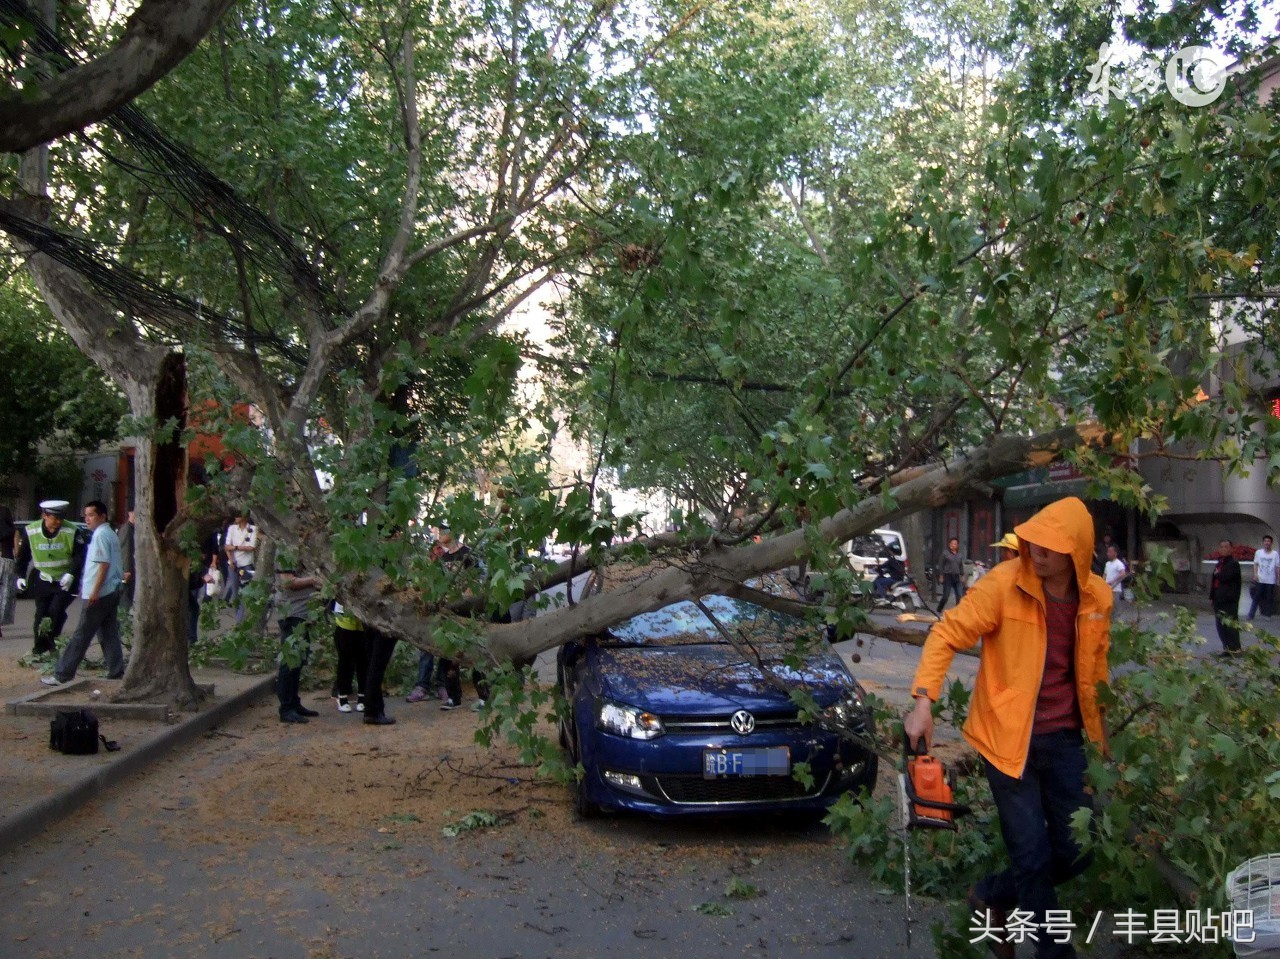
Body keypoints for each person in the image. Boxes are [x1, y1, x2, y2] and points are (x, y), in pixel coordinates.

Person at [904, 497, 1112, 959]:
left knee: (1079, 851)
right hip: (1005, 742)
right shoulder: (1003, 584)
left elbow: (1095, 672)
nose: (1036, 551)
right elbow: (945, 634)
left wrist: (1104, 741)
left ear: (1075, 553)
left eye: (1050, 546)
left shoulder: (1097, 597)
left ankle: (993, 895)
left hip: (1065, 741)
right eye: (1033, 540)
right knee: (1032, 857)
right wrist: (923, 702)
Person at [41, 501, 126, 686]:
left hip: (100, 593)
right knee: (108, 632)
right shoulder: (109, 533)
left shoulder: (101, 535)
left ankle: (62, 674)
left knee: (82, 634)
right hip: (110, 590)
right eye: (85, 515)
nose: (87, 519)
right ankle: (116, 670)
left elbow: (103, 565)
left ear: (102, 516)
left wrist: (94, 591)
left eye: (91, 515)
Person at [15, 500, 86, 656]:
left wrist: (71, 573)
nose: (59, 522)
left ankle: (52, 642)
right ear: (45, 516)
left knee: (55, 610)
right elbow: (23, 557)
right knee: (41, 614)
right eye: (55, 518)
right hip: (43, 579)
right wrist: (20, 576)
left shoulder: (72, 531)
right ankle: (39, 648)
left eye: (61, 518)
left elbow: (81, 556)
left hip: (65, 581)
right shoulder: (31, 531)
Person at [275, 559, 322, 724]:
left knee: (298, 662)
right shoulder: (286, 551)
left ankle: (294, 703)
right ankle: (286, 708)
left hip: (302, 614)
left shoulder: (301, 549)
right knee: (290, 662)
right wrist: (313, 580)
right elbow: (287, 582)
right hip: (292, 613)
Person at [332, 602, 368, 713]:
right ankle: (342, 696)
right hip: (345, 611)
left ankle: (362, 697)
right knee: (345, 657)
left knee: (363, 657)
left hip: (364, 611)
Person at [223, 512, 259, 621]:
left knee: (245, 592)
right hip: (233, 564)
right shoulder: (232, 528)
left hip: (246, 564)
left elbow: (251, 547)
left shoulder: (252, 529)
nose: (236, 517)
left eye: (239, 516)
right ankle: (239, 618)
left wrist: (234, 547)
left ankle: (241, 620)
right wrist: (231, 560)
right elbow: (226, 546)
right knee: (235, 594)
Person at [1209, 540, 1242, 654]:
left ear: (1231, 549)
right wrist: (1212, 596)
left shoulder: (1233, 563)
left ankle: (1235, 647)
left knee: (1230, 623)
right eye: (1221, 547)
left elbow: (1225, 577)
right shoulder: (1220, 562)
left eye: (1226, 547)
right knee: (1220, 624)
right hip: (1218, 598)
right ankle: (1227, 647)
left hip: (1229, 599)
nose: (1223, 549)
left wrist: (1218, 573)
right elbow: (1214, 581)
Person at [1248, 534, 1277, 620]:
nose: (1267, 543)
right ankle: (1251, 614)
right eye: (1265, 541)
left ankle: (1268, 615)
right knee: (1257, 596)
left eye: (1268, 541)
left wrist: (1278, 578)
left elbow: (1277, 566)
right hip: (1260, 578)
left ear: (1271, 543)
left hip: (1270, 579)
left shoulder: (1275, 554)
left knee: (1269, 597)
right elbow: (1255, 564)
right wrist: (1255, 574)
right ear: (1263, 542)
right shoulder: (1258, 552)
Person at [937, 537, 966, 611]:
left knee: (959, 595)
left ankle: (958, 610)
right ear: (949, 544)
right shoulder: (945, 553)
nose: (953, 545)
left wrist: (962, 575)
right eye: (952, 543)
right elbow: (940, 565)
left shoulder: (959, 554)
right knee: (946, 596)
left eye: (955, 544)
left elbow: (960, 565)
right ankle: (939, 609)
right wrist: (941, 576)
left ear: (957, 545)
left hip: (956, 576)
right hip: (948, 576)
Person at [0, 505, 16, 638]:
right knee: (4, 594)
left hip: (5, 559)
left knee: (4, 594)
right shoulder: (10, 528)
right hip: (7, 559)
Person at [117, 509, 135, 611]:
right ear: (130, 513)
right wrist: (126, 570)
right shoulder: (127, 529)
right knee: (125, 602)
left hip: (130, 571)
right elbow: (125, 550)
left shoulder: (131, 528)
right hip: (127, 573)